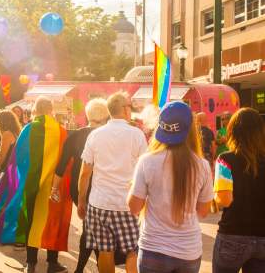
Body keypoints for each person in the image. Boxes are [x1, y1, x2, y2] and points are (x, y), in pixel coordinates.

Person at [0, 97, 72, 273]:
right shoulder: (62, 131)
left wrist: (15, 179)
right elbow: (66, 160)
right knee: (51, 222)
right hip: (54, 186)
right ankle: (52, 263)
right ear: (51, 110)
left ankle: (31, 263)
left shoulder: (28, 129)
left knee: (32, 221)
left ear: (35, 111)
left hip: (31, 185)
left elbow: (17, 157)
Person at [128, 101, 213, 273]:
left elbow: (134, 207)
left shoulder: (147, 161)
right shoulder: (202, 165)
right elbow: (204, 211)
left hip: (153, 249)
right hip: (188, 251)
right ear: (190, 129)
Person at [78, 91, 147, 273]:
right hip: (127, 205)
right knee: (133, 251)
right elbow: (145, 170)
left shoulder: (95, 135)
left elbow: (85, 172)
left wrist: (81, 200)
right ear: (124, 110)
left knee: (105, 251)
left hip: (99, 204)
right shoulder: (137, 135)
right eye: (130, 107)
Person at [52, 98, 110, 273]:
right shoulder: (110, 135)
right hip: (104, 189)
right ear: (107, 115)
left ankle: (83, 268)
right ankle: (97, 266)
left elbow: (61, 167)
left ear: (87, 115)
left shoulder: (75, 136)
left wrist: (54, 189)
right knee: (95, 229)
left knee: (89, 227)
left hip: (79, 189)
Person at [213, 108, 265, 273]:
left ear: (233, 131)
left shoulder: (225, 160)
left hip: (232, 236)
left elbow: (224, 200)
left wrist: (215, 197)